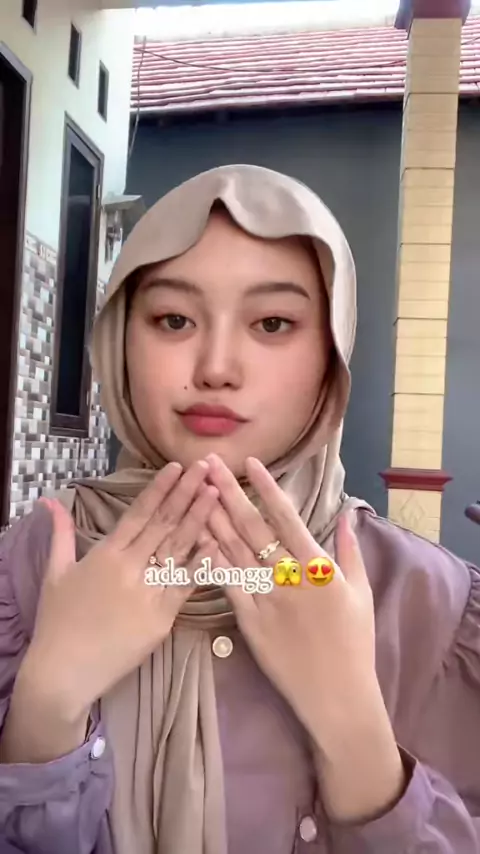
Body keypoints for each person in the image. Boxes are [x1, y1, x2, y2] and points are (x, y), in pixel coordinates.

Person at [0, 164, 478, 854]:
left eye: (273, 323)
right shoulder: (30, 568)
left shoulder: (430, 606)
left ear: (331, 356)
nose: (217, 367)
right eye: (173, 319)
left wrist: (353, 731)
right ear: (120, 341)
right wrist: (47, 703)